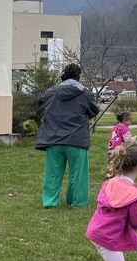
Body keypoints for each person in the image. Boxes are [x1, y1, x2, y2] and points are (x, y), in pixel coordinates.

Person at [35, 64, 99, 208]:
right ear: (78, 76)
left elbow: (40, 102)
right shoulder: (86, 94)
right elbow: (94, 110)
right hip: (77, 140)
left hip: (54, 139)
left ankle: (50, 202)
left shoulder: (51, 92)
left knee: (52, 173)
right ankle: (78, 202)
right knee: (78, 174)